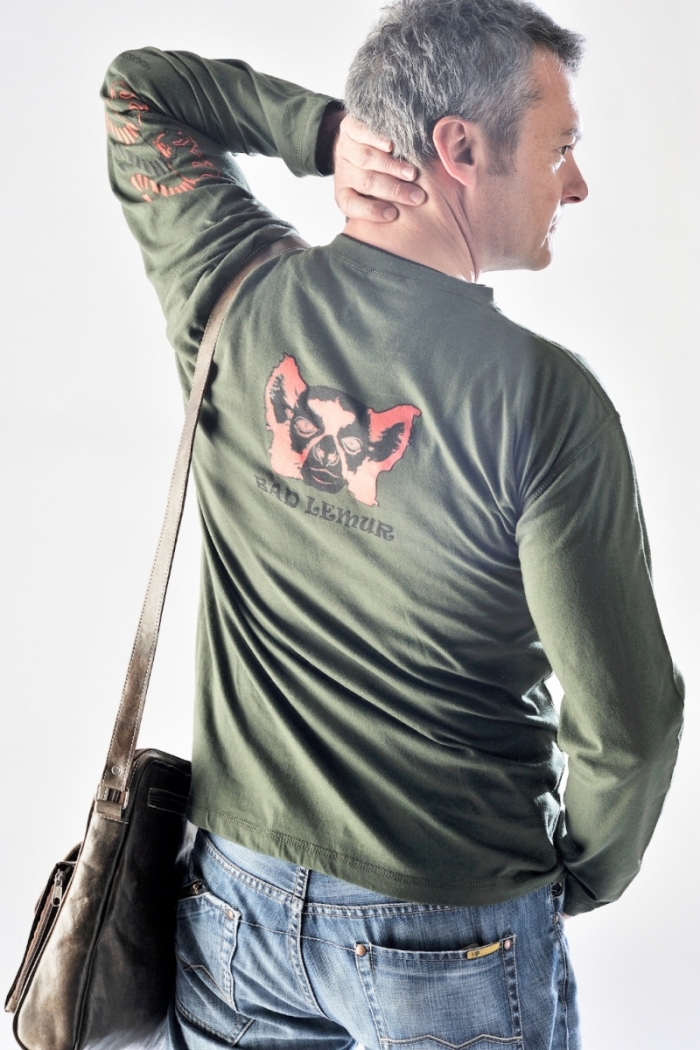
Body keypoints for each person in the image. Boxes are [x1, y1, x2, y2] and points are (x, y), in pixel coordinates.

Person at [102, 1, 683, 1047]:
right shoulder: (545, 403)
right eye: (560, 149)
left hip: (232, 903)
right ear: (460, 149)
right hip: (453, 923)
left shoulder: (232, 294)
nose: (577, 185)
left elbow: (138, 91)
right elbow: (628, 723)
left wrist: (321, 134)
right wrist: (579, 876)